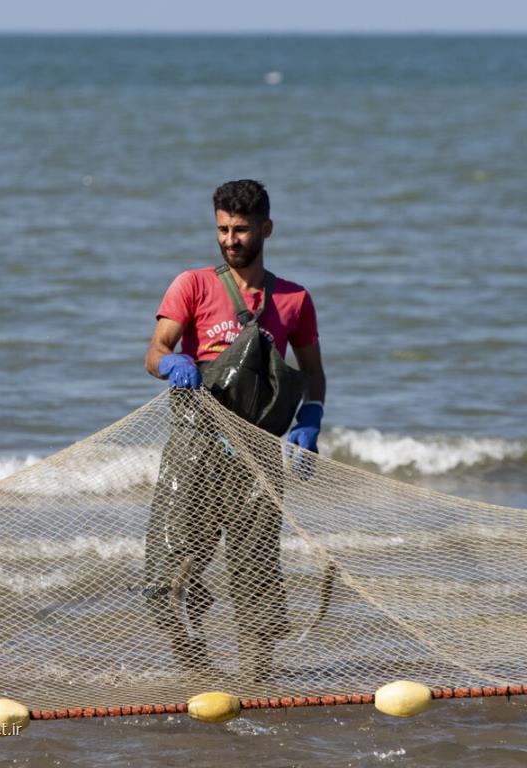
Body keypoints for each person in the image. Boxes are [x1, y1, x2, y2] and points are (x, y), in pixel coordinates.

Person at [141, 179, 327, 680]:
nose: (230, 239)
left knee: (257, 580)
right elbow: (154, 352)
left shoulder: (293, 300)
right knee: (168, 577)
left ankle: (255, 685)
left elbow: (312, 373)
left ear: (266, 228)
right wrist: (171, 363)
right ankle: (199, 675)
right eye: (222, 229)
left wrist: (310, 419)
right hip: (195, 450)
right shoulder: (193, 285)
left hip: (259, 459)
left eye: (241, 229)